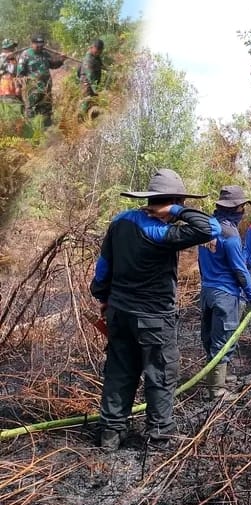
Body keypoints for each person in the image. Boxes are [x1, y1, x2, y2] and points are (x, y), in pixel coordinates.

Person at [90, 169, 220, 451]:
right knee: (160, 373)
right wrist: (172, 209)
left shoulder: (120, 221)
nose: (181, 208)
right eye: (179, 202)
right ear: (171, 201)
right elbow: (211, 227)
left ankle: (111, 433)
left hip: (119, 313)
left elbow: (103, 267)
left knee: (119, 371)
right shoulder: (160, 231)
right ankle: (159, 436)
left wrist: (102, 296)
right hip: (154, 319)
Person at [198, 186, 251, 399]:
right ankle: (217, 389)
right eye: (243, 207)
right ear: (236, 208)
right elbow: (240, 270)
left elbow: (201, 259)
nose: (243, 211)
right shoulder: (231, 234)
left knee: (209, 335)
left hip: (207, 291)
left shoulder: (208, 226)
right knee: (224, 338)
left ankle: (220, 376)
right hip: (225, 294)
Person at [15, 35, 64, 125]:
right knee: (31, 109)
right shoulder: (25, 55)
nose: (39, 48)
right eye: (37, 46)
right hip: (32, 89)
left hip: (46, 88)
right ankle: (31, 129)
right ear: (32, 44)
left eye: (41, 46)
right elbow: (20, 73)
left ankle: (47, 130)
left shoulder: (45, 53)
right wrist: (18, 87)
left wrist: (61, 60)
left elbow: (53, 65)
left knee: (47, 108)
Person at [77, 39, 104, 118]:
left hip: (94, 82)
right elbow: (90, 76)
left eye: (100, 51)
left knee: (94, 102)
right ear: (92, 47)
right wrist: (96, 90)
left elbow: (100, 63)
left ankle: (94, 119)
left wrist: (105, 67)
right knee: (87, 101)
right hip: (87, 84)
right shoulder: (88, 59)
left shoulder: (96, 56)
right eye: (97, 51)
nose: (98, 53)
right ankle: (80, 119)